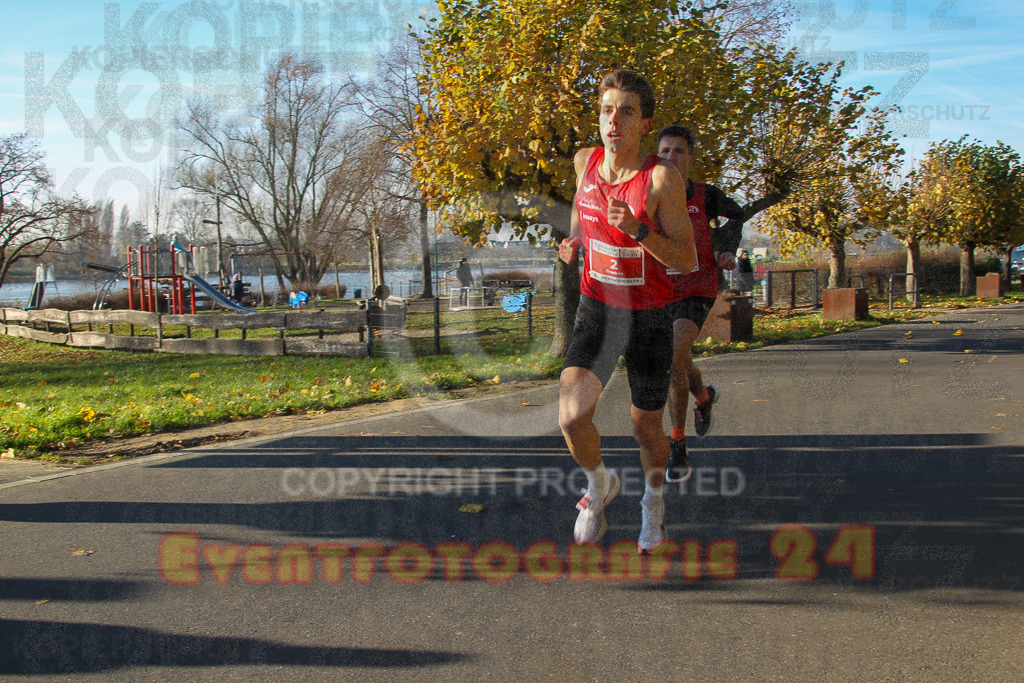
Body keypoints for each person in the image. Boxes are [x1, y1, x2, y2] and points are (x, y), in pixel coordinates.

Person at [558, 70, 697, 553]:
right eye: (606, 110)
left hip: (650, 317)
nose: (613, 120)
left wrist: (640, 231)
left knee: (645, 428)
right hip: (598, 308)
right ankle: (599, 485)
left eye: (626, 111)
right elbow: (582, 210)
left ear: (644, 124)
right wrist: (574, 240)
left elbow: (686, 258)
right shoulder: (584, 162)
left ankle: (653, 505)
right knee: (572, 419)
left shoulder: (660, 178)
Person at [655, 125, 745, 483]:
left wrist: (727, 249)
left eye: (678, 151)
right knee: (680, 360)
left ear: (690, 159)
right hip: (660, 290)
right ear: (655, 156)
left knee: (676, 356)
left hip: (698, 285)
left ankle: (677, 444)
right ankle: (703, 396)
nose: (671, 158)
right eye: (664, 151)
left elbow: (736, 214)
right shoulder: (647, 195)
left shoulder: (706, 195)